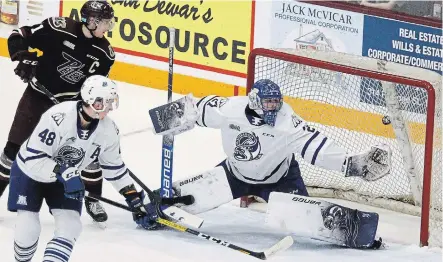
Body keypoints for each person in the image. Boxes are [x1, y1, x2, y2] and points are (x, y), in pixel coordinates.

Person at [150, 79, 391, 248]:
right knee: (172, 201)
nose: (274, 107)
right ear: (254, 101)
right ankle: (146, 208)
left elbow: (315, 145)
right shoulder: (229, 108)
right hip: (233, 175)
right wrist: (169, 117)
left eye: (276, 102)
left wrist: (351, 165)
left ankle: (359, 232)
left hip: (281, 180)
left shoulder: (287, 120)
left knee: (312, 220)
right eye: (269, 103)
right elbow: (198, 108)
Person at [7, 75, 164, 262]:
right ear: (91, 100)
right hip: (30, 172)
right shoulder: (58, 117)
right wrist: (64, 172)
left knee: (71, 226)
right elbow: (34, 157)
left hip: (65, 179)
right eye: (103, 103)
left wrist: (131, 195)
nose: (107, 108)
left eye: (110, 103)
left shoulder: (108, 130)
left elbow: (114, 166)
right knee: (28, 228)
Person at [0, 0, 116, 223]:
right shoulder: (58, 27)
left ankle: (93, 199)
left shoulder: (105, 53)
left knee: (88, 155)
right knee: (12, 150)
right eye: (104, 23)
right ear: (91, 21)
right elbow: (19, 33)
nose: (108, 28)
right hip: (37, 98)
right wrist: (21, 55)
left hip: (72, 108)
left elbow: (96, 86)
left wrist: (90, 110)